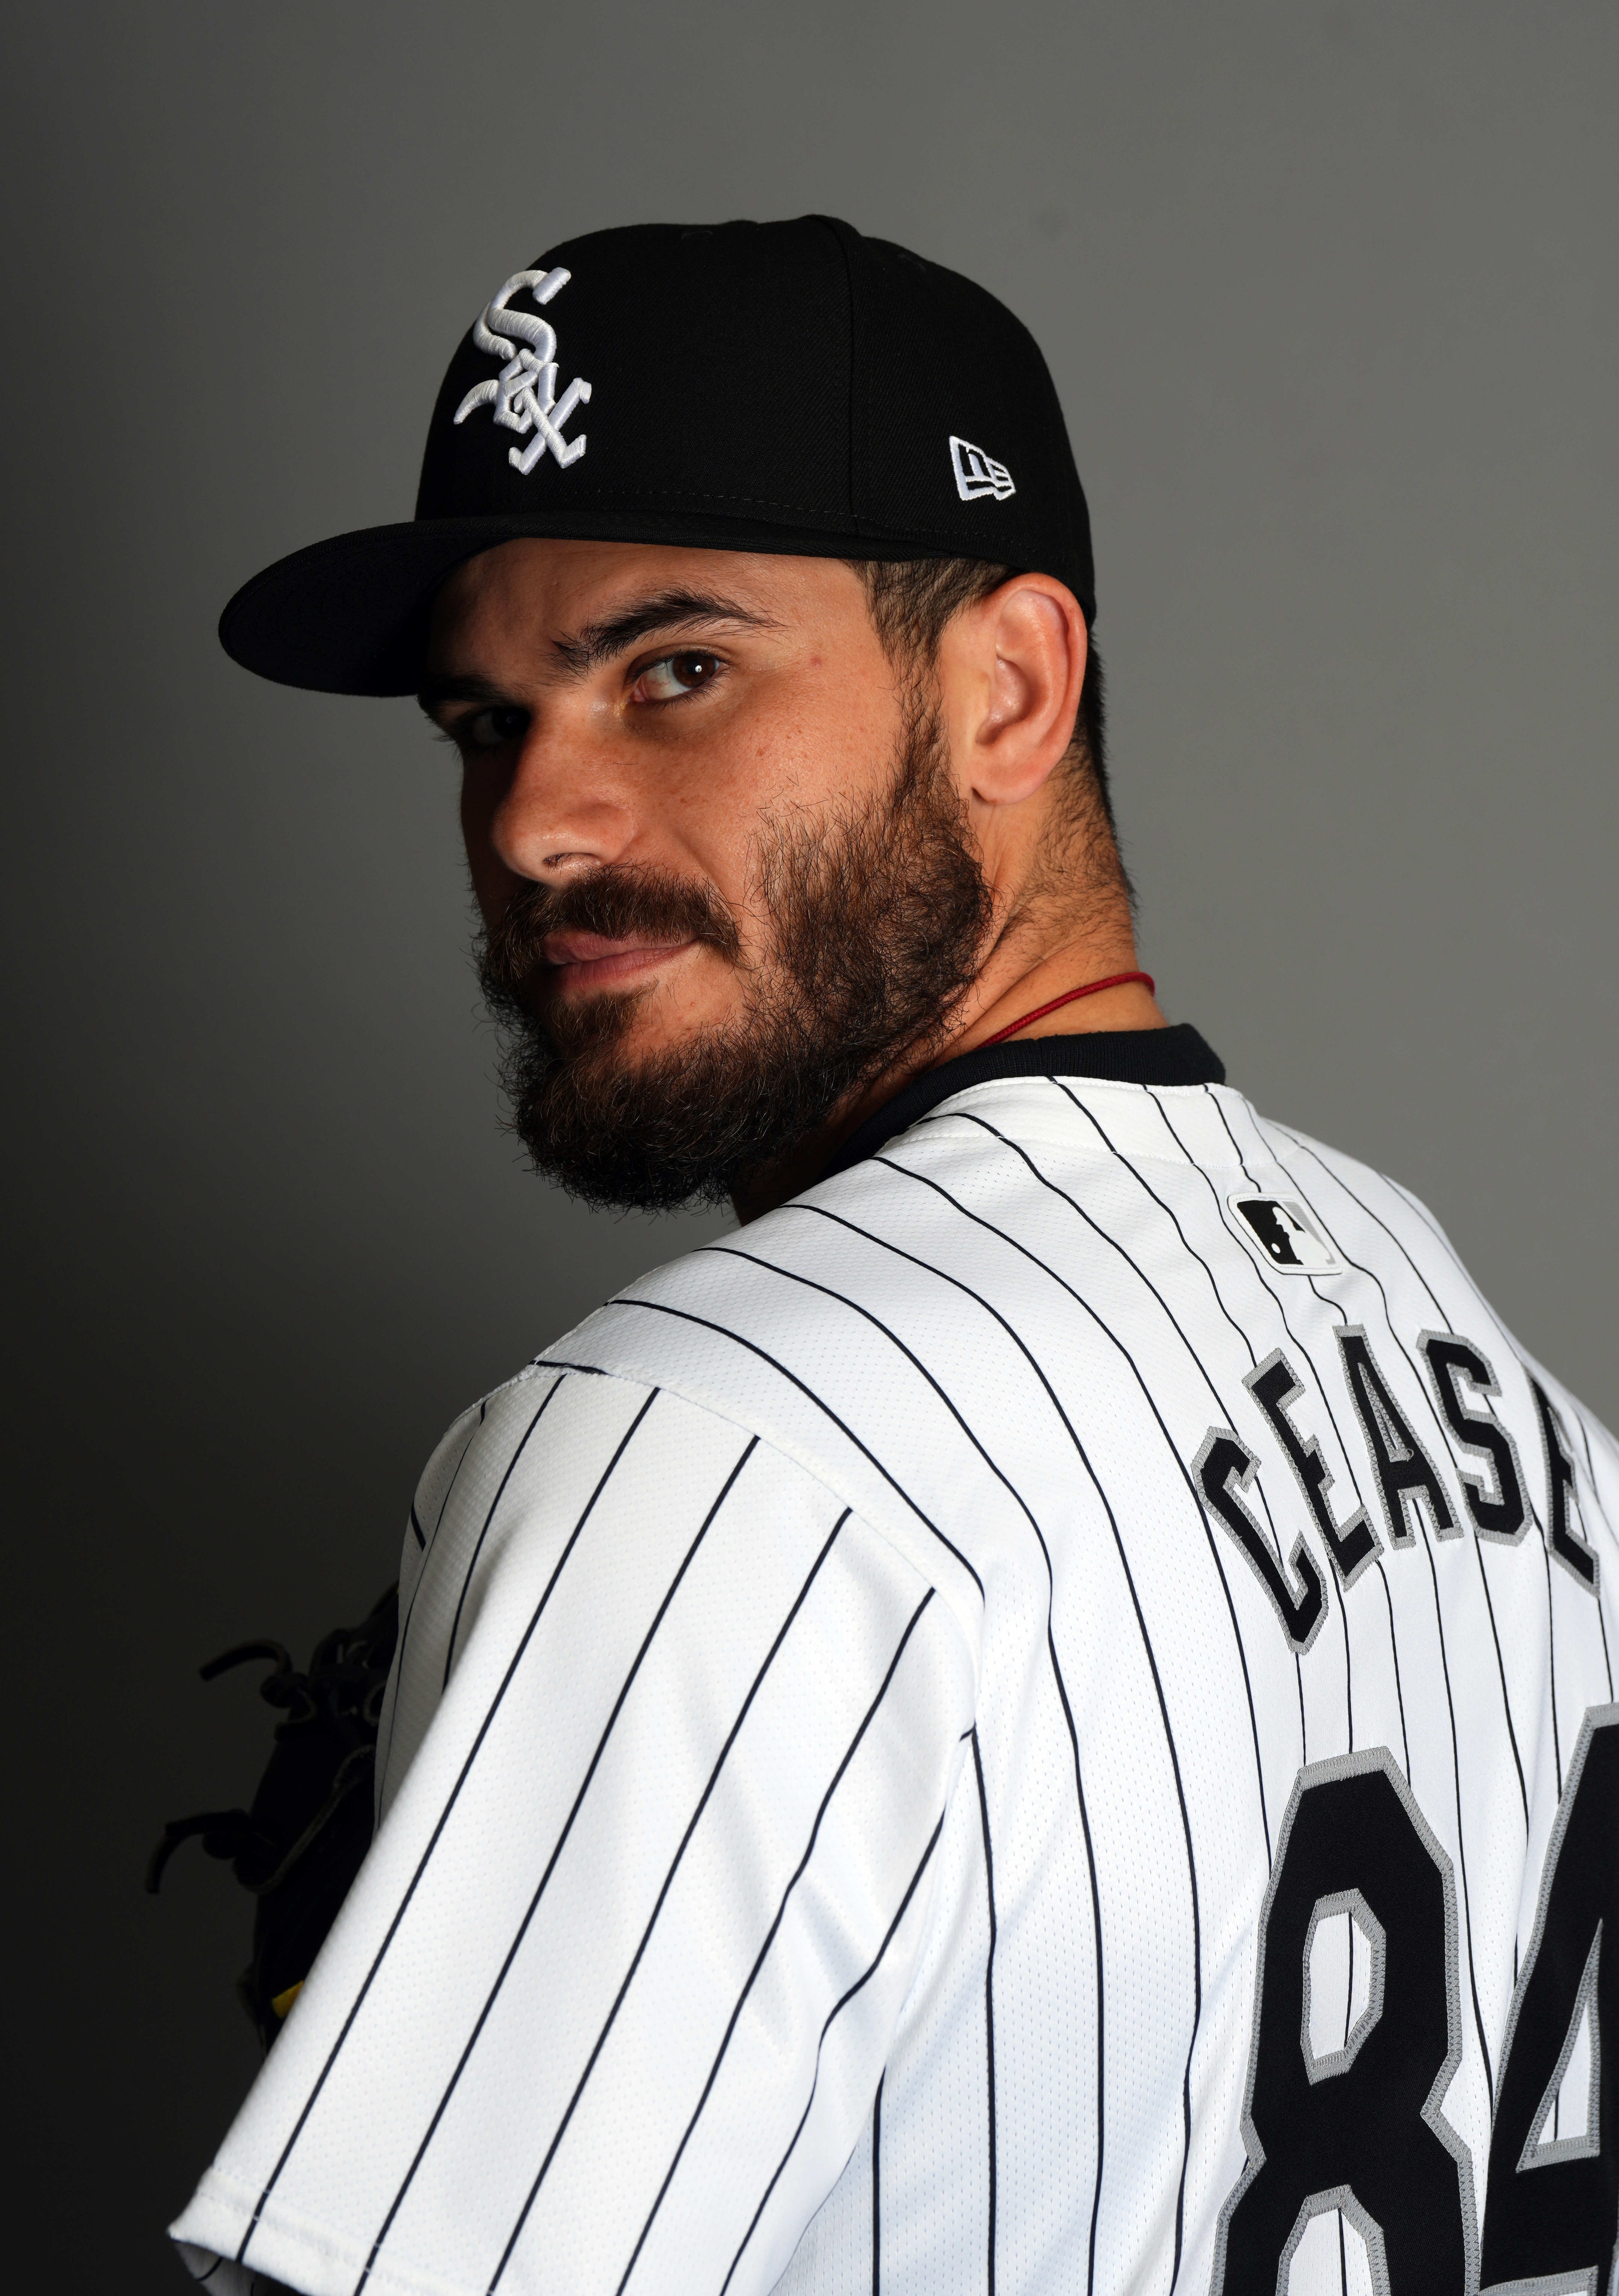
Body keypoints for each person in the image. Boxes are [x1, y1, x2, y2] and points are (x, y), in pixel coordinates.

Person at [173, 218, 1618, 2296]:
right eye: (482, 722)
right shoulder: (1518, 1405)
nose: (536, 822)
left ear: (1007, 688)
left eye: (674, 669)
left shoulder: (696, 1445)